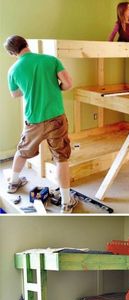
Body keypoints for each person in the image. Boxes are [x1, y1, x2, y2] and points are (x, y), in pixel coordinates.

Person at [4, 35, 78, 213]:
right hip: (56, 118)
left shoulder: (13, 70)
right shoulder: (50, 60)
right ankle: (66, 202)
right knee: (61, 157)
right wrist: (54, 87)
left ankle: (13, 182)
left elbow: (15, 94)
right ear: (26, 44)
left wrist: (31, 88)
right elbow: (68, 84)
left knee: (22, 150)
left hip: (33, 120)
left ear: (12, 53)